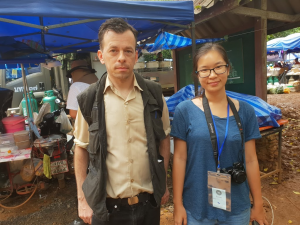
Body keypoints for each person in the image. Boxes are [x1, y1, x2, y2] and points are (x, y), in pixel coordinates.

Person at [73, 18, 171, 225]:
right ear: (101, 56)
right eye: (113, 50)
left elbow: (163, 138)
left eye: (128, 51)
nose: (121, 58)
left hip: (148, 206)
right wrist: (82, 199)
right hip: (107, 210)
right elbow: (80, 149)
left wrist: (162, 182)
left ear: (136, 56)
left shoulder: (153, 94)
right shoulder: (89, 100)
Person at [171, 43, 268, 225]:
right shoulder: (184, 110)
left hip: (237, 206)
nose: (212, 75)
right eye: (205, 70)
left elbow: (251, 159)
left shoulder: (245, 111)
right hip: (197, 206)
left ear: (228, 69)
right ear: (197, 74)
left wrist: (259, 203)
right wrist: (178, 204)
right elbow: (179, 158)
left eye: (218, 67)